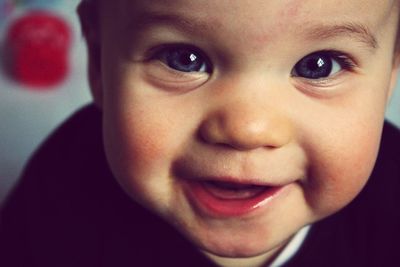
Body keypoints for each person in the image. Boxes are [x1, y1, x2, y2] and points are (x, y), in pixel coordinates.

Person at [1, 0, 400, 266]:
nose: (246, 129)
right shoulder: (64, 188)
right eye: (184, 59)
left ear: (390, 76)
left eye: (319, 66)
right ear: (99, 61)